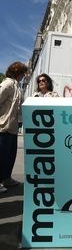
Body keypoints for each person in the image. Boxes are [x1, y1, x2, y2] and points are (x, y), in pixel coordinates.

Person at [0, 61, 27, 193]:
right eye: (23, 73)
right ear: (18, 73)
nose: (23, 76)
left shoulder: (17, 86)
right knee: (2, 155)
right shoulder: (8, 83)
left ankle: (6, 178)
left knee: (10, 155)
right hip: (3, 126)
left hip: (12, 127)